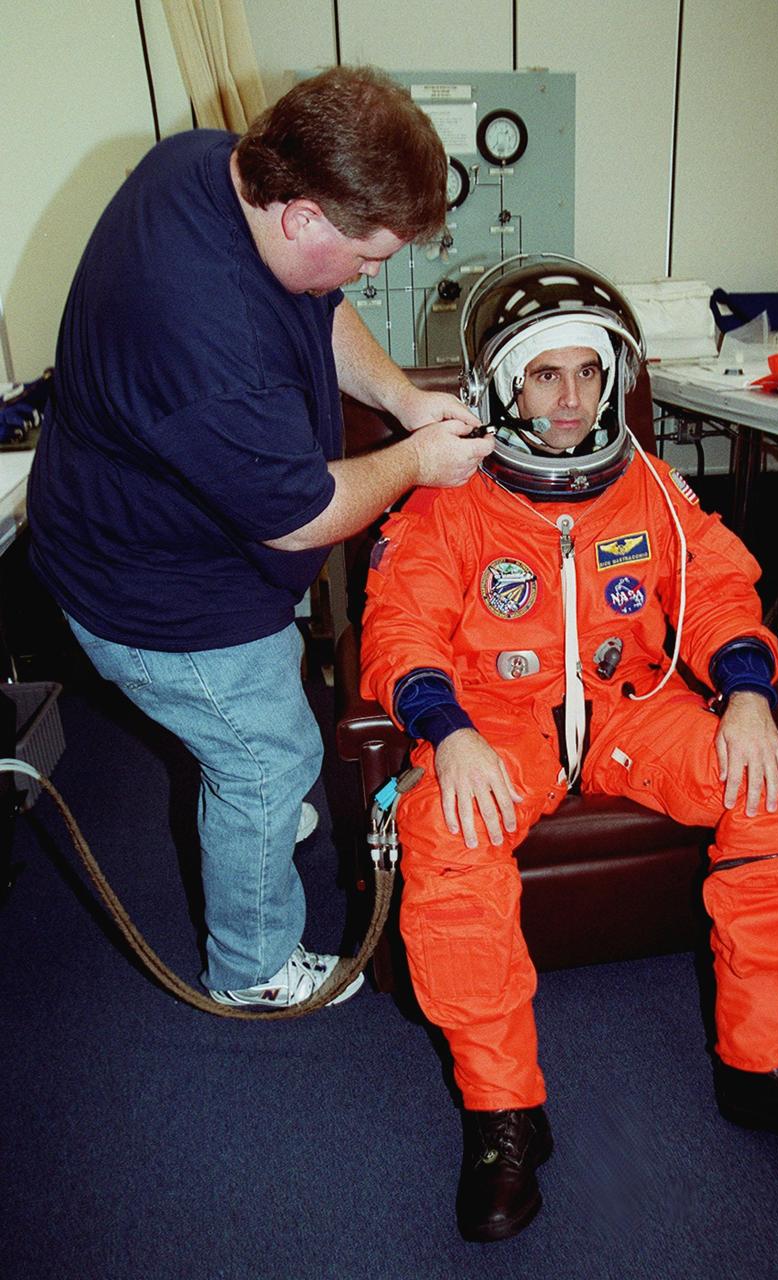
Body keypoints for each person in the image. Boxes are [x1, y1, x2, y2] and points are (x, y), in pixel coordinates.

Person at [359, 255, 778, 1241]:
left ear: (612, 381)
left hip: (627, 706)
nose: (569, 398)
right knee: (444, 827)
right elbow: (400, 626)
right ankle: (501, 1111)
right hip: (497, 722)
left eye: (588, 373)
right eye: (544, 373)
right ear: (499, 385)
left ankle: (764, 1066)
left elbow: (718, 586)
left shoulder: (646, 489)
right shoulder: (451, 498)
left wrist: (745, 697)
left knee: (775, 795)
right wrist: (448, 728)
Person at [26, 66, 492, 1011]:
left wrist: (402, 397)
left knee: (267, 722)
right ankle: (252, 969)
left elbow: (319, 307)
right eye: (369, 257)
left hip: (164, 533)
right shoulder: (204, 340)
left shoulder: (211, 164)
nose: (372, 275)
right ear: (304, 217)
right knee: (267, 756)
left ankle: (249, 829)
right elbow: (300, 515)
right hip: (150, 591)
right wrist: (414, 463)